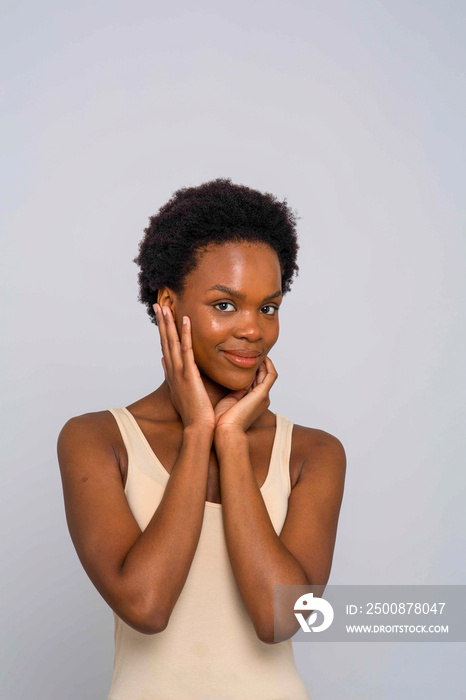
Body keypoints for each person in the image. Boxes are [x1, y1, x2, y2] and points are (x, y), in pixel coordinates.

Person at [57, 178, 346, 699]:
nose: (253, 330)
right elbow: (146, 605)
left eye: (268, 307)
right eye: (225, 305)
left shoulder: (313, 454)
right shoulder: (98, 440)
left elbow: (278, 620)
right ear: (168, 304)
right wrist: (198, 433)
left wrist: (231, 441)